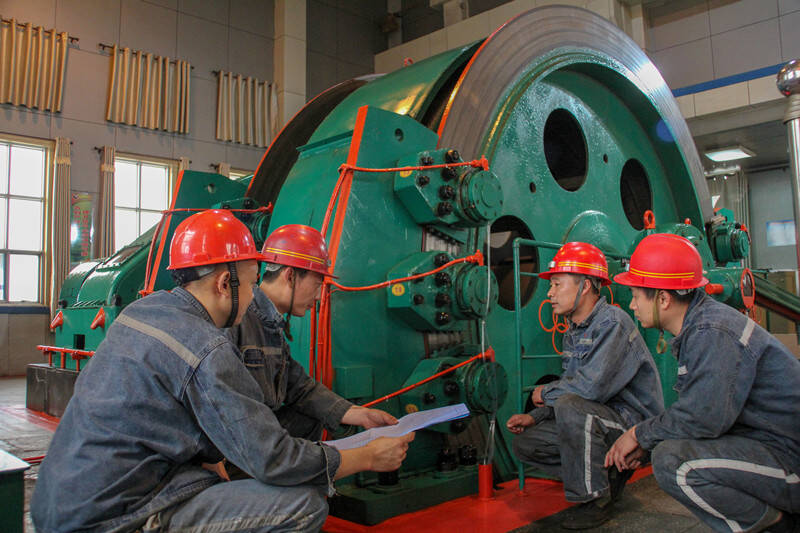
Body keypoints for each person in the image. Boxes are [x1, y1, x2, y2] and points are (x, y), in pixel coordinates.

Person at [31, 210, 413, 533]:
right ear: (223, 283)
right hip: (114, 516)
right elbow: (271, 457)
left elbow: (289, 388)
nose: (252, 297)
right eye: (250, 284)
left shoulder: (141, 313)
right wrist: (365, 457)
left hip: (60, 502)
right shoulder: (207, 346)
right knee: (304, 506)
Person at [606, 233, 800, 533]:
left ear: (663, 299)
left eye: (635, 295)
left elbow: (704, 417)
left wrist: (638, 434)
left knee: (673, 462)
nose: (631, 305)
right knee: (669, 448)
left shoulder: (712, 330)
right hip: (771, 446)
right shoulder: (702, 326)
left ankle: (778, 526)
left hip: (790, 459)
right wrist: (647, 440)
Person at [506, 242, 664, 529]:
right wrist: (536, 416)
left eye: (557, 284)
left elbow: (589, 390)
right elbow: (573, 387)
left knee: (570, 405)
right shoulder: (573, 332)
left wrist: (544, 393)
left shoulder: (612, 323)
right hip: (598, 419)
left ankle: (594, 501)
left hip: (632, 426)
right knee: (526, 443)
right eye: (551, 285)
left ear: (586, 285)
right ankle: (609, 474)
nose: (550, 293)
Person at [227, 224, 399, 468]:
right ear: (290, 275)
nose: (318, 297)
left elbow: (300, 388)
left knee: (311, 414)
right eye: (317, 284)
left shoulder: (271, 326)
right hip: (236, 445)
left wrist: (359, 414)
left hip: (255, 439)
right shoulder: (238, 319)